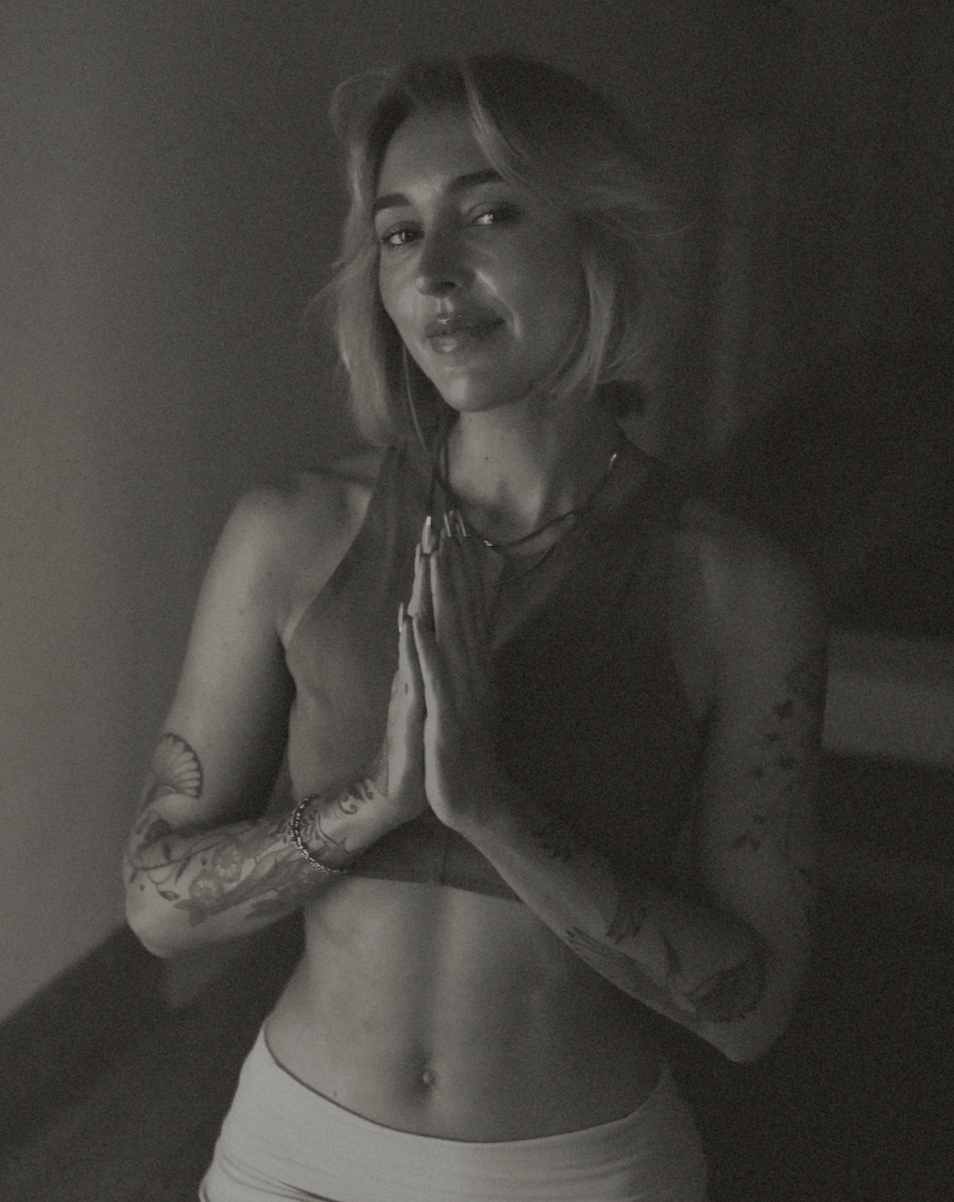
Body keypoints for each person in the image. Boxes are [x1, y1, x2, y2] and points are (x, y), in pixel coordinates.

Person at [123, 54, 825, 1202]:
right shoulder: (291, 533)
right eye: (399, 233)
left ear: (601, 237)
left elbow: (753, 1012)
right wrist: (377, 799)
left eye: (490, 213)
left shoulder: (738, 591)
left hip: (576, 1172)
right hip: (291, 1154)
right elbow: (156, 906)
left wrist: (492, 806)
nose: (434, 272)